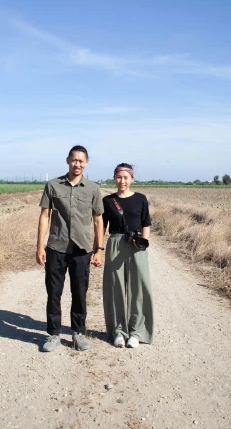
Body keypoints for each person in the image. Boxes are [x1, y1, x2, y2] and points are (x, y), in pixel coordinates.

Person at [36, 145, 105, 352]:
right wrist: (40, 246)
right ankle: (54, 335)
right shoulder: (53, 185)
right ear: (67, 160)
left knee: (80, 292)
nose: (77, 164)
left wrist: (98, 249)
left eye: (81, 161)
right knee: (54, 293)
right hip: (56, 247)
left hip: (82, 249)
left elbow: (98, 220)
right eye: (74, 160)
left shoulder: (93, 188)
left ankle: (78, 332)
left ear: (86, 163)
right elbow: (45, 216)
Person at [102, 163, 153, 348]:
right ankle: (118, 331)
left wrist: (143, 244)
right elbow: (101, 227)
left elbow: (146, 223)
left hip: (136, 246)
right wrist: (98, 249)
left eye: (125, 177)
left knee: (138, 289)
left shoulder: (141, 199)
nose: (122, 181)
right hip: (115, 243)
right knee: (115, 288)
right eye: (118, 177)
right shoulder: (108, 201)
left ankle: (136, 331)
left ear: (132, 178)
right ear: (114, 178)